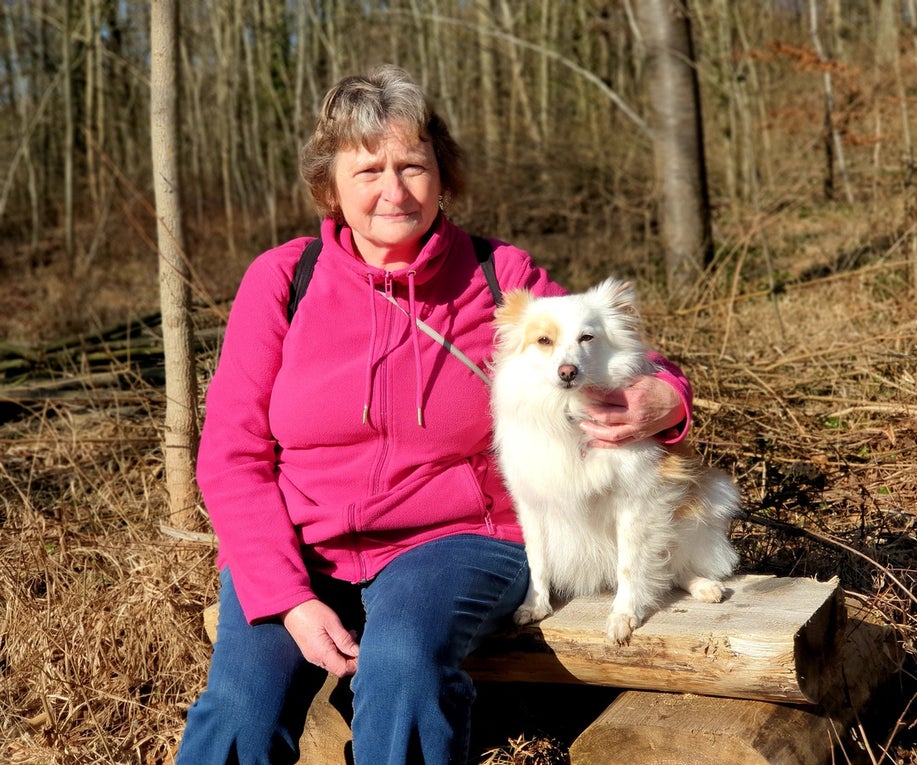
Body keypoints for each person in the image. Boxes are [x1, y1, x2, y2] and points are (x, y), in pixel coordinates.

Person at [175, 64, 693, 765]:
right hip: (298, 541)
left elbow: (608, 342)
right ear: (330, 185)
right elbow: (231, 455)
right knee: (240, 709)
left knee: (405, 665)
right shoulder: (281, 280)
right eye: (370, 170)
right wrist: (288, 597)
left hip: (456, 536)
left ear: (442, 174)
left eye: (413, 166)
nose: (394, 190)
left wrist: (666, 396)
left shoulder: (497, 276)